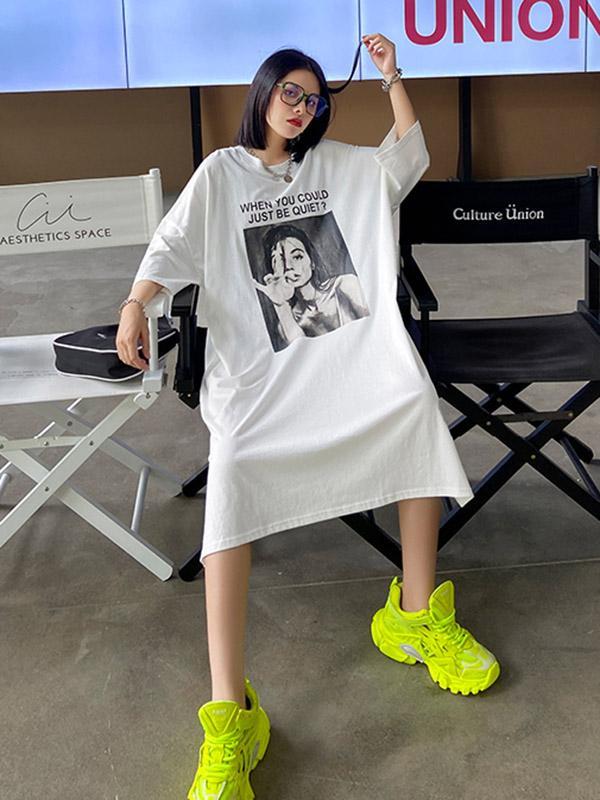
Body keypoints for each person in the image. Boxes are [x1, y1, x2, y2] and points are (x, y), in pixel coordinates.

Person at [116, 32, 500, 800]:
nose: (301, 107)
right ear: (264, 92)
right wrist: (135, 304)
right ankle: (231, 714)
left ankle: (414, 614)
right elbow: (171, 247)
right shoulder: (220, 174)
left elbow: (409, 157)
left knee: (408, 403)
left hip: (348, 358)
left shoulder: (338, 166)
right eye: (290, 92)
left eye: (314, 99)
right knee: (235, 470)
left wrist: (392, 77)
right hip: (259, 377)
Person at [254, 223, 370, 344]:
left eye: (297, 257)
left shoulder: (346, 285)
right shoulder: (286, 321)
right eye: (279, 261)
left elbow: (375, 326)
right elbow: (300, 349)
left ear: (312, 262)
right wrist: (281, 305)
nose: (288, 266)